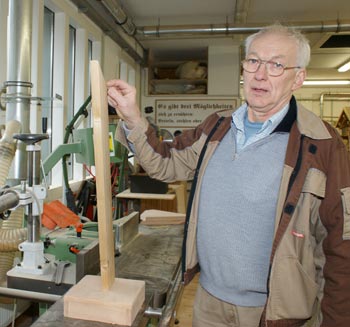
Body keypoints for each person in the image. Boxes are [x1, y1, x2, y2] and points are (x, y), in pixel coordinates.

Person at [107, 24, 350, 327]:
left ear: (298, 78)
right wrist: (132, 117)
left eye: (276, 64)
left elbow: (341, 245)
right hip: (208, 304)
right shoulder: (217, 128)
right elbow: (165, 163)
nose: (260, 74)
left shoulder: (322, 144)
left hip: (276, 313)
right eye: (253, 61)